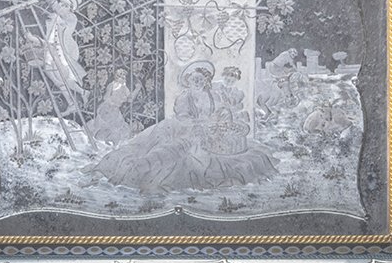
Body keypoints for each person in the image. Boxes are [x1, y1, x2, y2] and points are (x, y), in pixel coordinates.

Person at [83, 61, 276, 193]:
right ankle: (131, 169)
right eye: (194, 79)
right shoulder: (185, 97)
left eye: (201, 80)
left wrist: (218, 122)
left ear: (206, 81)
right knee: (167, 150)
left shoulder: (212, 95)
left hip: (206, 131)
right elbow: (183, 116)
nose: (198, 82)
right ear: (189, 81)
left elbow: (216, 113)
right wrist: (198, 125)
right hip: (181, 128)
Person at [40, 0, 86, 111]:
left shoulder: (71, 18)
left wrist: (57, 18)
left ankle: (73, 102)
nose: (62, 7)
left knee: (63, 76)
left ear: (71, 9)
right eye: (61, 3)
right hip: (52, 49)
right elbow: (52, 3)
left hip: (65, 51)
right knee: (52, 73)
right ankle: (79, 95)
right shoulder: (57, 15)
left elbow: (63, 23)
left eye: (66, 6)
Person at [87, 69, 136, 145]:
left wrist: (137, 89)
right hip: (107, 108)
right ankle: (102, 139)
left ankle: (111, 140)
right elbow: (106, 97)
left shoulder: (125, 88)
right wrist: (112, 102)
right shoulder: (112, 85)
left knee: (118, 128)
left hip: (115, 110)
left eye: (124, 77)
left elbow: (130, 99)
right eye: (120, 77)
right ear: (116, 77)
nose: (122, 79)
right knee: (104, 126)